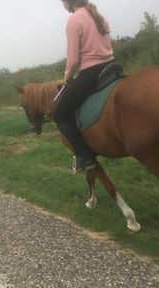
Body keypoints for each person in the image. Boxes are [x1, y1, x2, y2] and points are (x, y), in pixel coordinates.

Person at [52, 0, 115, 172]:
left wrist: (66, 78)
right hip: (111, 66)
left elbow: (73, 60)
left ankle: (85, 157)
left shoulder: (74, 21)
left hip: (91, 73)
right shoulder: (97, 15)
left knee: (59, 113)